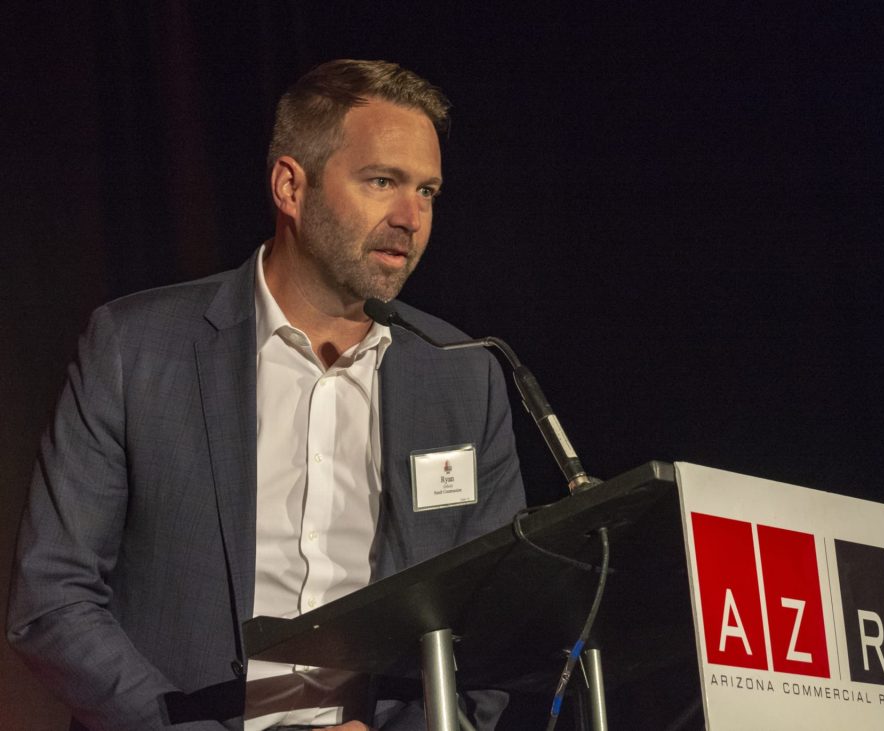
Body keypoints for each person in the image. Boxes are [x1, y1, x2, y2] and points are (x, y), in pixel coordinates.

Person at [7, 59, 526, 731]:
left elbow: (497, 626)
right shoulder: (137, 347)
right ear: (290, 184)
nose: (411, 216)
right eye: (382, 181)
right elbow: (52, 596)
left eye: (427, 190)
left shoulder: (462, 372)